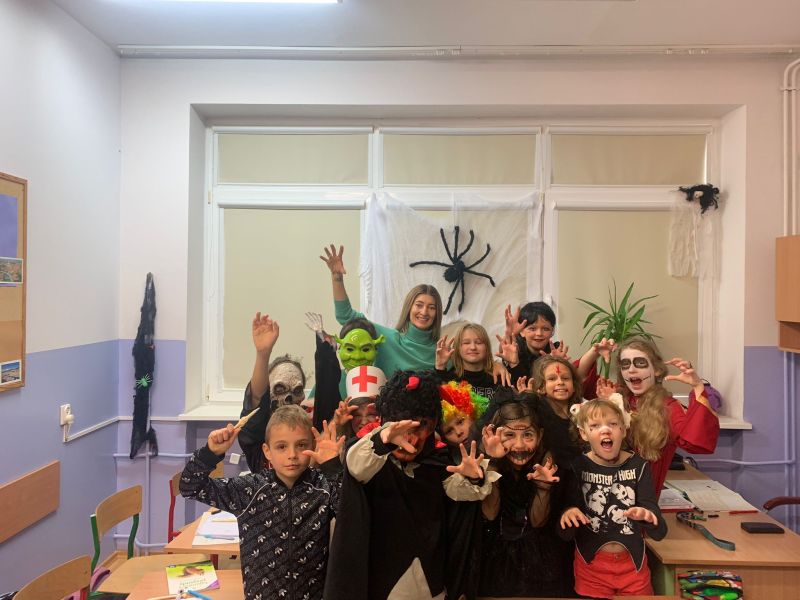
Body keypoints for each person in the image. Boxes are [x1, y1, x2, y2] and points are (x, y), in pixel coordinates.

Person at [324, 370, 500, 600]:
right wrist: (384, 440)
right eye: (402, 426)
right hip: (383, 581)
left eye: (421, 426)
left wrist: (474, 477)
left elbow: (456, 492)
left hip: (432, 577)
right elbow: (355, 466)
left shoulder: (436, 459)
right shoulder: (370, 455)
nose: (411, 439)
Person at [180, 405, 344, 600]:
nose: (292, 454)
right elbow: (190, 487)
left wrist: (333, 467)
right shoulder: (249, 489)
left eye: (301, 445)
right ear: (267, 451)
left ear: (312, 446)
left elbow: (351, 514)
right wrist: (210, 453)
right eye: (281, 446)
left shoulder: (323, 487)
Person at [560, 397, 667, 598]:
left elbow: (660, 531)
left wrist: (649, 516)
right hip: (591, 567)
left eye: (612, 424)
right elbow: (564, 532)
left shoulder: (639, 466)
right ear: (583, 433)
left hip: (633, 566)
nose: (605, 430)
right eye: (595, 426)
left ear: (623, 430)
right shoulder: (577, 467)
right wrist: (568, 513)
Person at [478, 390, 573, 598]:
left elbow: (538, 522)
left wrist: (543, 487)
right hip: (494, 553)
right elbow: (490, 514)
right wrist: (492, 462)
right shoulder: (484, 463)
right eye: (509, 435)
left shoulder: (548, 464)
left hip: (538, 556)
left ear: (540, 436)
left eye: (528, 435)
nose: (519, 446)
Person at [605, 336, 721, 496]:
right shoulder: (617, 399)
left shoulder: (667, 407)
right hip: (606, 496)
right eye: (625, 365)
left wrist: (697, 386)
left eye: (640, 363)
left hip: (643, 501)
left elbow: (694, 442)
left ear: (657, 370)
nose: (631, 369)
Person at [320, 244, 441, 377]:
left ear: (437, 313)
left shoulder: (441, 352)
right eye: (419, 305)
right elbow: (345, 316)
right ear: (409, 308)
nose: (424, 312)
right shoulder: (386, 338)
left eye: (431, 307)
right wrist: (337, 278)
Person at [237, 312, 307, 472]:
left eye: (297, 390)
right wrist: (263, 354)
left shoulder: (311, 432)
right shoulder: (257, 437)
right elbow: (256, 397)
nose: (288, 399)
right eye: (279, 389)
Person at [528, 355, 586, 469]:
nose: (560, 382)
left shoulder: (582, 409)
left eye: (565, 378)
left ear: (574, 386)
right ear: (541, 387)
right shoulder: (537, 410)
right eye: (552, 379)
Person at [434, 323, 509, 401]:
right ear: (458, 348)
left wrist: (512, 364)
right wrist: (440, 367)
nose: (473, 347)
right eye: (466, 343)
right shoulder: (449, 378)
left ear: (487, 347)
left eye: (478, 342)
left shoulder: (498, 376)